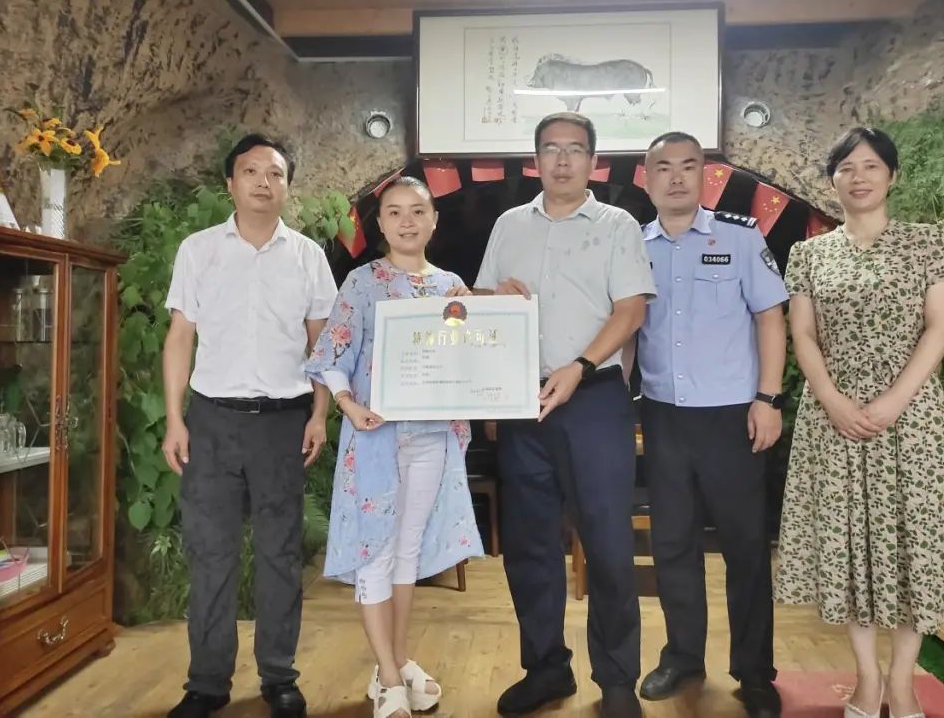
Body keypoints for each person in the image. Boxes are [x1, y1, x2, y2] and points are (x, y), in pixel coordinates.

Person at [775, 127, 944, 718]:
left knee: (911, 541)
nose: (859, 177)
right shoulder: (809, 254)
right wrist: (832, 400)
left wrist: (894, 401)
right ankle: (867, 679)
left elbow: (940, 327)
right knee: (852, 546)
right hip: (833, 418)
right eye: (846, 168)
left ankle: (902, 679)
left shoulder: (928, 241)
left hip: (911, 418)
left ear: (892, 175)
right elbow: (803, 334)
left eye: (871, 166)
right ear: (832, 181)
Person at [475, 112, 656, 718]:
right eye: (550, 149)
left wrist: (580, 364)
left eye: (574, 150)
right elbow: (480, 301)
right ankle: (546, 669)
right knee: (529, 545)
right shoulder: (508, 225)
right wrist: (490, 298)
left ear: (593, 162)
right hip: (522, 403)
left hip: (593, 399)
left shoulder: (617, 225)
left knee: (607, 544)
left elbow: (631, 310)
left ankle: (617, 681)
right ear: (535, 161)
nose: (561, 160)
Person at [161, 134, 338, 718]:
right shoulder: (198, 251)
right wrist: (175, 420)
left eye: (276, 173)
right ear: (230, 183)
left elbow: (321, 345)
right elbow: (180, 338)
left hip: (283, 422)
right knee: (210, 553)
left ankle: (279, 676)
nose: (264, 181)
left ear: (288, 186)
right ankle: (207, 683)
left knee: (280, 553)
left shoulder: (308, 257)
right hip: (211, 421)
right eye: (251, 171)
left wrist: (319, 413)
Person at [305, 176, 483, 718]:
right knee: (375, 552)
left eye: (418, 211)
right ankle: (388, 675)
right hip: (376, 436)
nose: (407, 221)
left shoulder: (451, 285)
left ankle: (398, 661)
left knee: (408, 552)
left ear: (434, 220)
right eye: (395, 212)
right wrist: (346, 404)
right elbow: (332, 352)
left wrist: (476, 316)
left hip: (431, 437)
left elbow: (470, 363)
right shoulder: (363, 283)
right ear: (380, 223)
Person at [625, 132, 787, 718]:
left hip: (732, 417)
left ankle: (755, 671)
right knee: (672, 545)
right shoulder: (632, 245)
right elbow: (626, 328)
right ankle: (683, 657)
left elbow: (770, 318)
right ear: (646, 178)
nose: (676, 178)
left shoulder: (740, 237)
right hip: (663, 414)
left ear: (704, 176)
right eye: (664, 168)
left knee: (745, 548)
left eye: (688, 166)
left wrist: (768, 398)